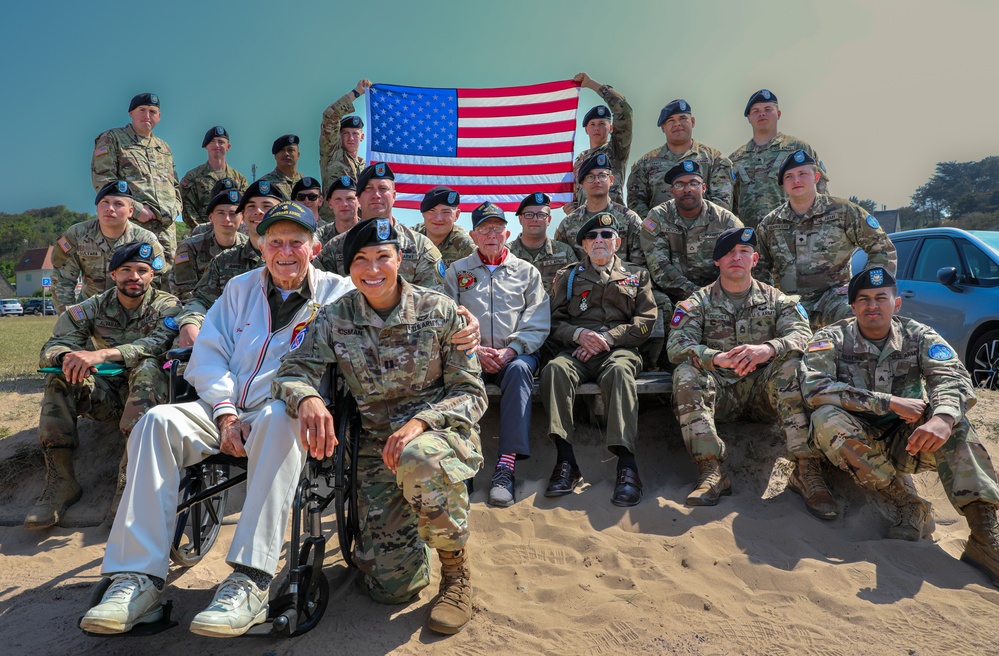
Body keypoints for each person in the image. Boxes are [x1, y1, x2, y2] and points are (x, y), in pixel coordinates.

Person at [80, 202, 356, 637]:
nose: (285, 251)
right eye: (275, 241)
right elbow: (208, 356)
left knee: (278, 422)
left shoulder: (339, 294)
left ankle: (251, 578)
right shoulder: (239, 289)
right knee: (157, 422)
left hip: (286, 411)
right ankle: (138, 579)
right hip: (223, 408)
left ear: (315, 247)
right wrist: (226, 414)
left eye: (296, 242)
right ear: (261, 245)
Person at [273, 218, 487, 635]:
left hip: (439, 438)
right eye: (361, 260)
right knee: (391, 590)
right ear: (350, 267)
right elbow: (291, 371)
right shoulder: (336, 317)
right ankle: (417, 534)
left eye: (382, 258)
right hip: (373, 447)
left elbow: (472, 394)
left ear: (399, 260)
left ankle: (456, 574)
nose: (372, 269)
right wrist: (309, 397)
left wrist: (423, 422)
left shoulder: (439, 310)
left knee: (420, 458)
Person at [801, 267, 999, 585]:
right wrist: (888, 402)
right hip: (849, 439)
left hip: (904, 440)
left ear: (897, 303)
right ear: (852, 307)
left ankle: (985, 537)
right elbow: (813, 388)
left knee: (958, 426)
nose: (872, 305)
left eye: (882, 297)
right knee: (826, 417)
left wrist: (942, 418)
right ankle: (906, 501)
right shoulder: (831, 338)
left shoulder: (919, 335)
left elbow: (953, 377)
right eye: (863, 299)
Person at [666, 228, 835, 516]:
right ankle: (711, 471)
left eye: (743, 252)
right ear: (717, 261)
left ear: (754, 259)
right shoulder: (698, 303)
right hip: (721, 396)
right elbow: (677, 346)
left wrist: (768, 349)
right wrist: (716, 358)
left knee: (792, 366)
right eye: (729, 253)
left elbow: (804, 336)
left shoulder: (778, 300)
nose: (736, 258)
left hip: (765, 397)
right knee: (686, 372)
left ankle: (807, 471)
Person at [25, 241, 181, 530]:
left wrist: (105, 353)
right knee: (59, 376)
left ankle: (128, 485)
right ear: (113, 275)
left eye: (141, 270)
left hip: (151, 397)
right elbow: (52, 345)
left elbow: (159, 344)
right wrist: (66, 356)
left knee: (147, 366)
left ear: (151, 276)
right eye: (126, 270)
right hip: (107, 397)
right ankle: (60, 482)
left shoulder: (168, 306)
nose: (133, 276)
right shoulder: (93, 306)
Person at [541, 213, 656, 507]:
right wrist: (579, 334)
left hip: (619, 351)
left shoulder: (637, 276)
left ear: (617, 242)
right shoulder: (568, 277)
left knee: (619, 372)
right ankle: (566, 462)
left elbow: (645, 322)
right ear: (583, 245)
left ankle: (627, 465)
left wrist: (607, 338)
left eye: (607, 235)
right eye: (592, 237)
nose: (600, 241)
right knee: (555, 370)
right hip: (577, 352)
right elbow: (553, 324)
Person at [445, 202, 550, 507]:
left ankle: (505, 468)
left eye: (496, 228)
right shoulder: (457, 270)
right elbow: (447, 317)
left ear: (507, 232)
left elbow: (537, 319)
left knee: (519, 371)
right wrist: (473, 349)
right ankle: (462, 466)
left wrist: (511, 350)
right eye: (483, 228)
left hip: (515, 353)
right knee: (458, 377)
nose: (491, 234)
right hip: (468, 352)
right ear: (474, 235)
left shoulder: (526, 272)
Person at [756, 150, 896, 331]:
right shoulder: (770, 223)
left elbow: (882, 249)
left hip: (834, 299)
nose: (796, 180)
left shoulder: (843, 212)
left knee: (861, 317)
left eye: (802, 174)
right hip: (788, 303)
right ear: (783, 184)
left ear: (816, 177)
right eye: (789, 176)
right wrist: (768, 301)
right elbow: (759, 268)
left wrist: (868, 289)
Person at [175, 180, 283, 346]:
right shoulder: (224, 260)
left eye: (266, 206)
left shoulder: (293, 260)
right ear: (244, 215)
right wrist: (190, 322)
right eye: (251, 206)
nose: (258, 212)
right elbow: (201, 300)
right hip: (230, 339)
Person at [315, 163, 446, 290]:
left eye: (383, 189)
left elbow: (431, 299)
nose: (376, 195)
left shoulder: (420, 247)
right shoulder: (335, 248)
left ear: (394, 196)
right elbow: (321, 293)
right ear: (358, 198)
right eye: (368, 189)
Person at [91, 92, 183, 266]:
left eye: (152, 111)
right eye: (142, 110)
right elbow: (104, 180)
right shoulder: (112, 138)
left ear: (159, 116)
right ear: (131, 113)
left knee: (167, 278)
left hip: (166, 229)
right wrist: (137, 209)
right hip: (133, 225)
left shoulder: (163, 147)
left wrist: (176, 207)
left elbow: (175, 184)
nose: (147, 116)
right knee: (131, 276)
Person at [51, 181, 166, 314]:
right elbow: (62, 279)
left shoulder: (145, 241)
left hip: (132, 313)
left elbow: (157, 281)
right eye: (105, 202)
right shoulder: (77, 235)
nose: (110, 208)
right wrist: (68, 317)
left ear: (130, 212)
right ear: (97, 208)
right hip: (89, 310)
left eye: (118, 204)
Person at [639, 161, 743, 303]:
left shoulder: (726, 221)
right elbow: (659, 268)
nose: (687, 189)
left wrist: (715, 294)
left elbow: (739, 262)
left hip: (718, 294)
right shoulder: (657, 218)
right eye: (680, 184)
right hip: (671, 294)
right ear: (672, 190)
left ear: (704, 188)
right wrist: (698, 295)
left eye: (694, 183)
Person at [730, 89, 829, 228]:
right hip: (751, 240)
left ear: (779, 114)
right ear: (749, 117)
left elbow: (822, 194)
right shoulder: (735, 159)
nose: (762, 113)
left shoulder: (798, 149)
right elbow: (730, 206)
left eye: (768, 109)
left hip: (795, 236)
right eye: (756, 111)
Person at [627, 99, 734, 218]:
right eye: (671, 120)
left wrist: (702, 228)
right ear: (663, 127)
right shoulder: (646, 163)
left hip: (706, 232)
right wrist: (654, 229)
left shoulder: (714, 159)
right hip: (660, 233)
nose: (677, 124)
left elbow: (722, 202)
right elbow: (636, 202)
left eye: (683, 118)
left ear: (692, 121)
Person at [556, 153, 645, 265]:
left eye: (602, 176)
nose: (597, 181)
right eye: (590, 177)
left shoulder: (630, 219)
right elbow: (563, 267)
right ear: (582, 183)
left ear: (611, 180)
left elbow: (641, 266)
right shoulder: (567, 224)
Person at [565, 72, 633, 212]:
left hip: (613, 220)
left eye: (602, 123)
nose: (597, 128)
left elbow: (624, 110)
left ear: (611, 128)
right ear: (586, 130)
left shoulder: (616, 149)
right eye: (593, 124)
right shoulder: (579, 161)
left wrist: (591, 84)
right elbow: (575, 197)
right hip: (586, 225)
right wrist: (571, 210)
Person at [170, 190, 247, 301]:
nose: (227, 219)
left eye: (233, 213)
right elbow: (184, 292)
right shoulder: (190, 247)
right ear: (211, 217)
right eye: (221, 213)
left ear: (242, 218)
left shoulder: (249, 247)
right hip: (201, 309)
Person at [507, 192, 577, 298]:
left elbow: (577, 284)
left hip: (554, 313)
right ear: (520, 219)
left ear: (549, 220)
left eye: (541, 215)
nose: (535, 219)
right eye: (529, 214)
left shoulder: (564, 252)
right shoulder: (506, 254)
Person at [179, 126, 249, 230]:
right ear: (206, 146)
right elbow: (186, 207)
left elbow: (245, 208)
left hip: (233, 233)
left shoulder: (239, 179)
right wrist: (205, 229)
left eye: (221, 142)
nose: (216, 145)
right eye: (212, 141)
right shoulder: (193, 177)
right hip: (202, 237)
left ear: (228, 146)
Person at [319, 79, 369, 223]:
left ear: (362, 137)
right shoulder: (332, 154)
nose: (350, 138)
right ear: (339, 136)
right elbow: (329, 116)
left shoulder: (367, 166)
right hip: (331, 226)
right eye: (345, 133)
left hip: (358, 228)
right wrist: (356, 92)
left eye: (355, 134)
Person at [415, 186, 475, 267]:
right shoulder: (409, 239)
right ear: (423, 213)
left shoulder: (464, 244)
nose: (438, 218)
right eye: (432, 211)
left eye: (446, 212)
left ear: (456, 215)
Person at [316, 175, 361, 244]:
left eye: (350, 199)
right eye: (338, 199)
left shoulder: (369, 231)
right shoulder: (319, 236)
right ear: (330, 203)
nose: (344, 204)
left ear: (359, 201)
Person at [259, 134, 304, 201]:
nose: (286, 153)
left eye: (290, 150)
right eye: (281, 150)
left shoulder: (305, 183)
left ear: (298, 155)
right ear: (275, 156)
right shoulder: (265, 184)